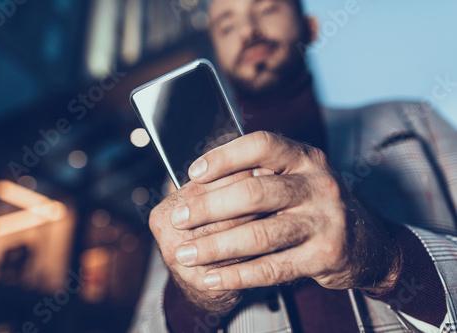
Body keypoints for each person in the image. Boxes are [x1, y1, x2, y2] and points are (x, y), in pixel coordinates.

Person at [129, 0, 457, 332]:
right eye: (227, 25)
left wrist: (388, 259)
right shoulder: (187, 188)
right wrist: (193, 296)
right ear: (216, 50)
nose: (248, 29)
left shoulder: (415, 122)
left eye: (268, 8)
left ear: (310, 27)